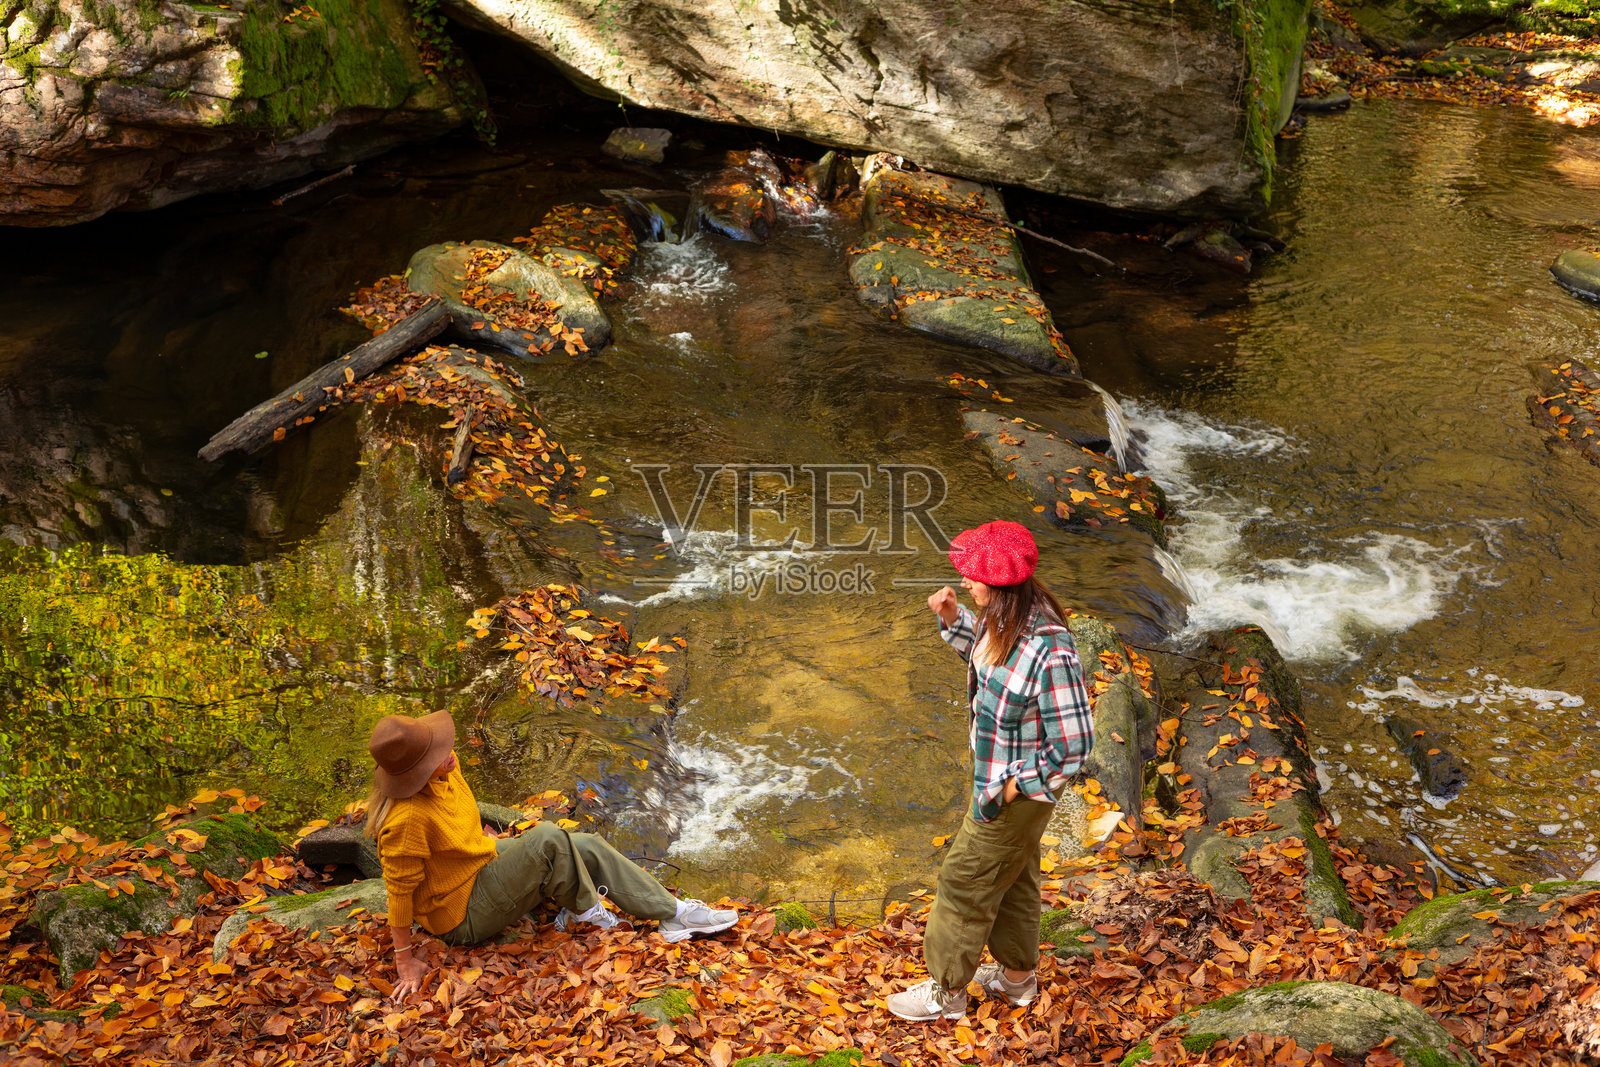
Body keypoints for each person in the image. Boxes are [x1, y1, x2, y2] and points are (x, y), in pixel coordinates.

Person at [364, 709, 738, 998]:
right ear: (417, 773)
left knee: (586, 844)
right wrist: (404, 959)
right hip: (459, 914)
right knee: (547, 838)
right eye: (437, 754)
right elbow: (398, 891)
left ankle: (673, 914)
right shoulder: (406, 820)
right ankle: (585, 913)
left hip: (479, 864)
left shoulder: (448, 770)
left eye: (441, 745)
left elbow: (454, 825)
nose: (450, 752)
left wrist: (480, 836)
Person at [885, 520, 1095, 1022]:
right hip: (998, 780)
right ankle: (1017, 980)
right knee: (1016, 877)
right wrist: (955, 620)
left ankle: (946, 993)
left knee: (963, 880)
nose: (965, 584)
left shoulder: (1051, 647)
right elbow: (994, 670)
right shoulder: (1009, 620)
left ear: (1000, 585)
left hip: (1013, 792)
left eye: (972, 578)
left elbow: (1075, 745)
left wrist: (1010, 788)